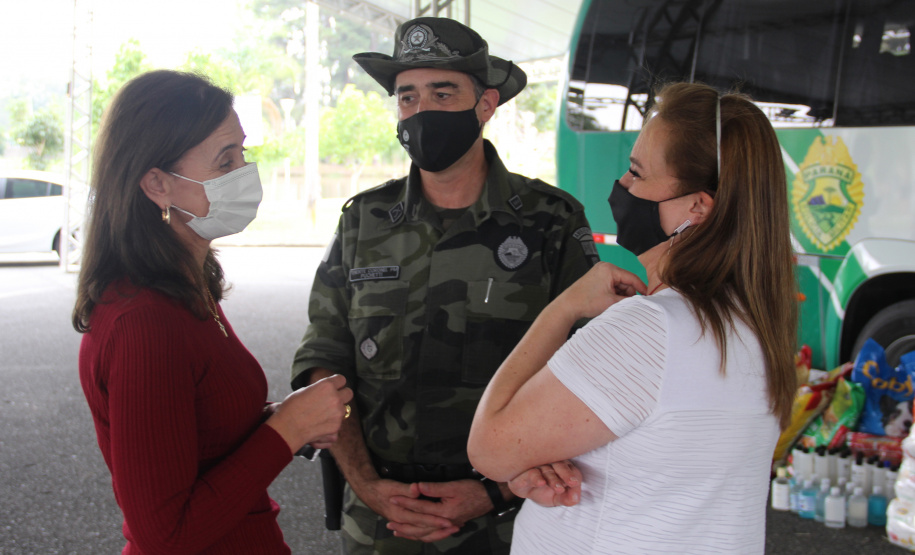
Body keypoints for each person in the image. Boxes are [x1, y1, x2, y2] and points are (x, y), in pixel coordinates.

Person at [291, 16, 599, 555]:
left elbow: (590, 373)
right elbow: (326, 361)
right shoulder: (364, 220)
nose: (421, 111)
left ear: (486, 104)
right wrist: (365, 483)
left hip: (510, 519)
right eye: (407, 97)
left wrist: (492, 491)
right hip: (381, 516)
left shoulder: (550, 222)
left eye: (442, 92)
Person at [468, 82, 798, 554]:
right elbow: (654, 462)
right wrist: (535, 465)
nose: (622, 187)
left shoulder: (649, 330)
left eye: (636, 172)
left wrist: (563, 309)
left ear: (698, 208)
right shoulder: (754, 325)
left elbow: (490, 447)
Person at [73, 70, 353, 555]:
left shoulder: (186, 288)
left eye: (244, 153)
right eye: (225, 161)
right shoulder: (144, 323)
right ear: (157, 185)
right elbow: (165, 534)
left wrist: (285, 418)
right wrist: (287, 431)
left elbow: (198, 430)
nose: (245, 173)